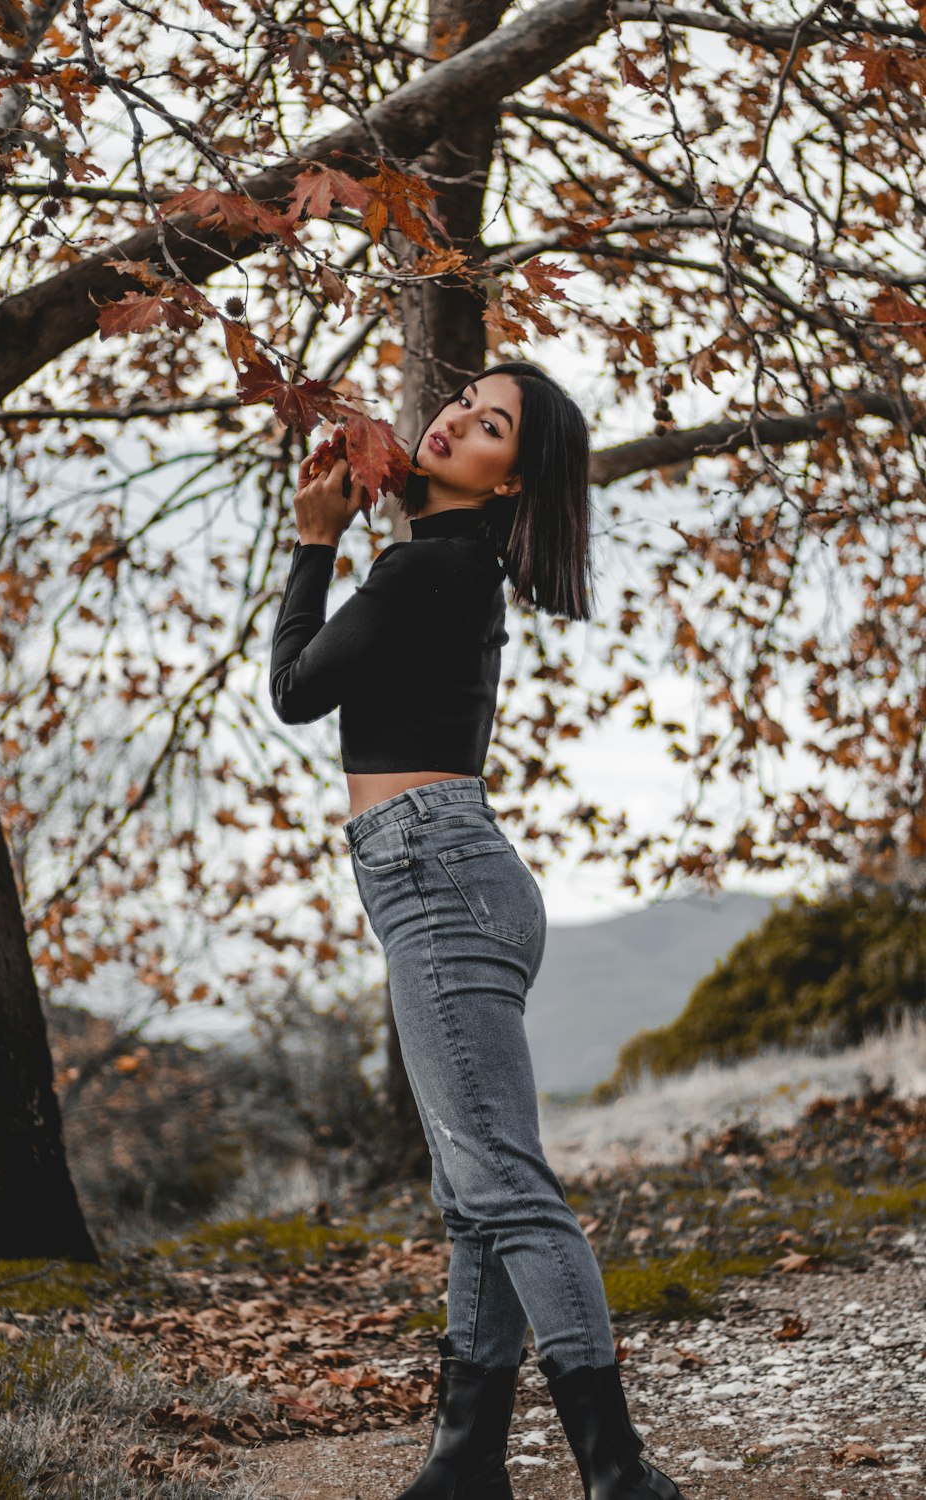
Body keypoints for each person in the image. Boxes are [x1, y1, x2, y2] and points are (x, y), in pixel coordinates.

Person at [269, 360, 683, 1500]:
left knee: (501, 1187)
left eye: (490, 424)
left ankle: (617, 1468)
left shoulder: (434, 569)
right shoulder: (450, 569)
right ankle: (463, 1464)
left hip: (437, 878)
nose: (454, 419)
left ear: (512, 481)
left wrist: (312, 544)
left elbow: (296, 688)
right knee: (475, 1195)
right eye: (459, 401)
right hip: (439, 874)